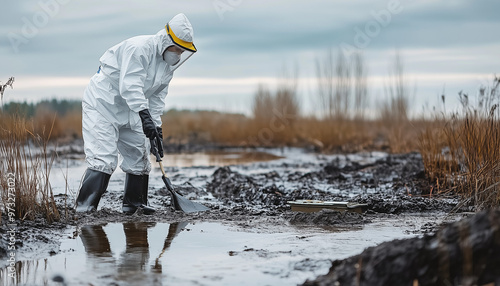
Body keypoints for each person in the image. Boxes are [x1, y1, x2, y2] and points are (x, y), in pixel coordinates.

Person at [75, 13, 197, 214]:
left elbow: (157, 99)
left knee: (139, 154)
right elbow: (130, 86)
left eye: (183, 51)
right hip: (104, 103)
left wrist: (156, 128)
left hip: (132, 109)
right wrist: (144, 117)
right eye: (178, 49)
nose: (179, 54)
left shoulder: (167, 68)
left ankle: (134, 205)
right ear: (167, 40)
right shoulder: (139, 48)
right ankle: (84, 208)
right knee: (103, 158)